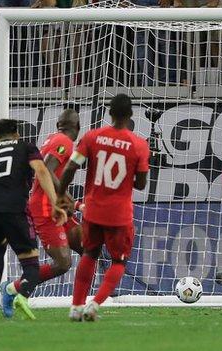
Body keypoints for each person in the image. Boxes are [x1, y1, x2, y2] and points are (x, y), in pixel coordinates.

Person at [57, 94, 150, 321]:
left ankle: (76, 307)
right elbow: (140, 184)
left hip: (93, 210)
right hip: (119, 215)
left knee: (89, 253)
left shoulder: (91, 137)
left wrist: (59, 193)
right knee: (118, 261)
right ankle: (94, 305)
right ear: (130, 115)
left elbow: (70, 168)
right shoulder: (139, 145)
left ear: (110, 113)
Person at [0, 119, 67, 320]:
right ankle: (23, 295)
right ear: (17, 134)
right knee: (31, 263)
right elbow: (42, 170)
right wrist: (55, 203)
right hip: (13, 208)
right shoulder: (25, 147)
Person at [0, 109, 84, 318]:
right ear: (78, 127)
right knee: (63, 263)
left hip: (55, 205)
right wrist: (65, 196)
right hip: (46, 208)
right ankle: (12, 289)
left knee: (87, 246)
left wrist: (70, 201)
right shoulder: (64, 141)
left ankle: (84, 303)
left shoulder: (54, 138)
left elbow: (49, 172)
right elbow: (45, 169)